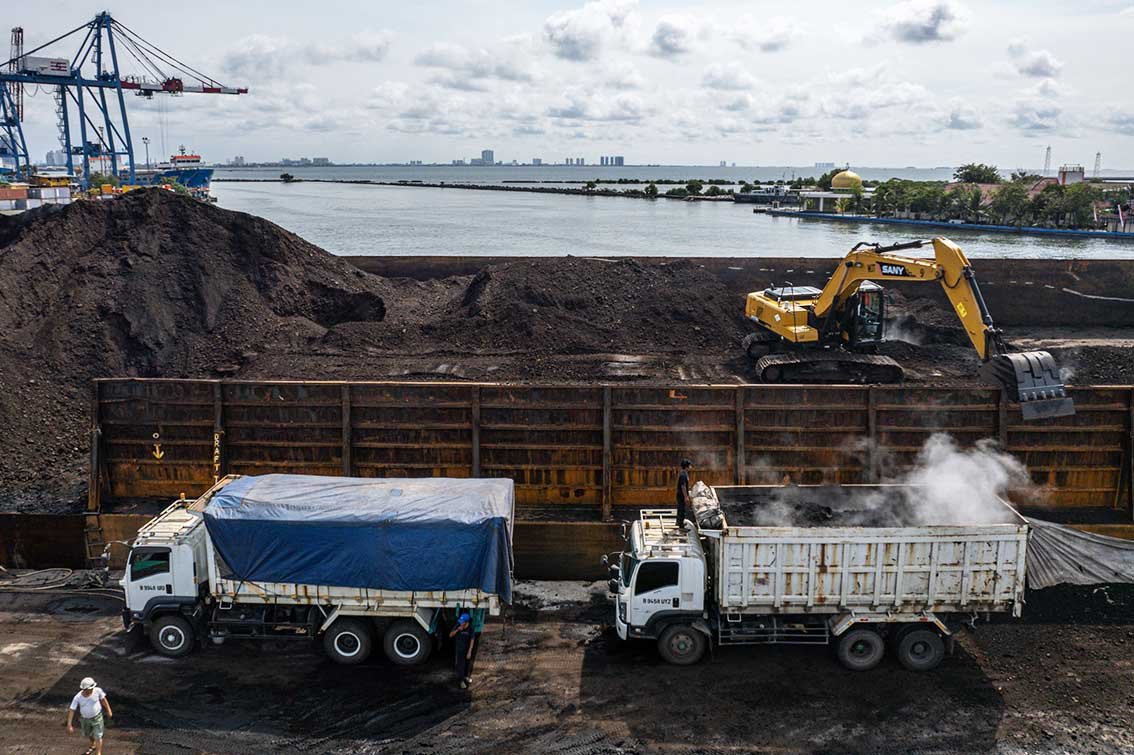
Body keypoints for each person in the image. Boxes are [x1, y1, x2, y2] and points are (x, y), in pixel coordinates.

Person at [66, 676, 112, 755]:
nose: (92, 690)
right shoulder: (78, 697)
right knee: (88, 734)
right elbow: (72, 710)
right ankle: (93, 744)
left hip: (97, 718)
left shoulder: (98, 691)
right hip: (85, 719)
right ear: (85, 689)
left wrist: (109, 710)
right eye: (90, 689)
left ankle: (98, 753)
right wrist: (69, 724)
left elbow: (103, 700)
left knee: (98, 735)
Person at [448, 612, 475, 689]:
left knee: (467, 664)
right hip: (459, 649)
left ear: (466, 622)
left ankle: (466, 676)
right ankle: (461, 681)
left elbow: (472, 639)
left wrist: (470, 651)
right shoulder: (457, 626)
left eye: (462, 622)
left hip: (467, 649)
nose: (460, 623)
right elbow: (450, 635)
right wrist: (457, 630)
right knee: (460, 665)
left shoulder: (471, 628)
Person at [676, 458, 693, 530]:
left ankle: (679, 522)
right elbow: (683, 486)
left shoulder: (684, 474)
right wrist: (686, 496)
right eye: (689, 465)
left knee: (680, 508)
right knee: (682, 509)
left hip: (681, 494)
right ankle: (681, 525)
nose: (690, 467)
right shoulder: (683, 475)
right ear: (686, 466)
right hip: (681, 495)